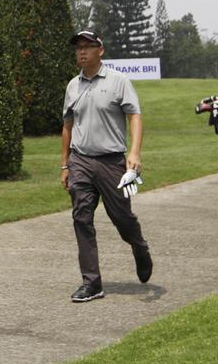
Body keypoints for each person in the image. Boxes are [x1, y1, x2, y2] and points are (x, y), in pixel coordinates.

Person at [60, 30, 152, 303]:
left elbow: (134, 116)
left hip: (113, 162)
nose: (81, 51)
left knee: (122, 218)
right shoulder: (72, 86)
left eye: (88, 46)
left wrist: (134, 153)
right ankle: (92, 282)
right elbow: (67, 125)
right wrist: (65, 165)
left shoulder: (118, 81)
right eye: (78, 47)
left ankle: (139, 246)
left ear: (101, 50)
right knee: (81, 217)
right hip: (81, 161)